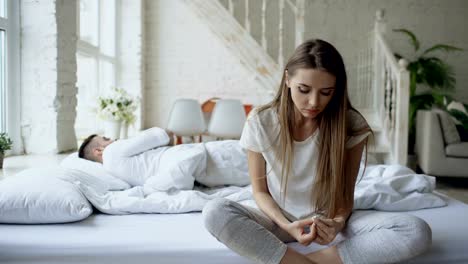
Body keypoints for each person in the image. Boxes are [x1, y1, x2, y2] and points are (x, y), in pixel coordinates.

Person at [202, 39, 432, 264]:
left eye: (326, 92)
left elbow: (345, 195)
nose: (313, 102)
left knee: (415, 230)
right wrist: (287, 225)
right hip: (277, 221)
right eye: (304, 89)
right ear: (287, 79)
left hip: (326, 222)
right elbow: (260, 192)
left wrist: (338, 223)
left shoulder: (350, 124)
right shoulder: (262, 122)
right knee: (215, 211)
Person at [78, 127, 249, 189]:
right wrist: (167, 135)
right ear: (98, 151)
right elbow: (161, 135)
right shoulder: (112, 151)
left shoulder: (112, 172)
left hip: (201, 175)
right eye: (106, 139)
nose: (113, 140)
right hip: (192, 157)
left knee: (247, 172)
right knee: (248, 153)